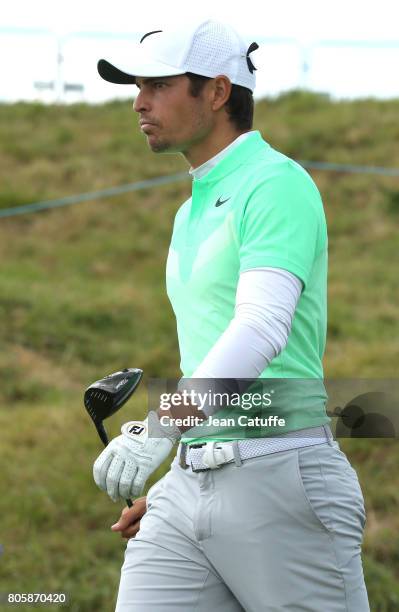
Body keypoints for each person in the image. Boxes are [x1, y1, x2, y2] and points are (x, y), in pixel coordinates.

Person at [93, 19, 370, 611]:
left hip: (284, 478)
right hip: (189, 483)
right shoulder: (189, 209)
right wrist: (184, 470)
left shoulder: (276, 183)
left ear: (217, 92)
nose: (139, 102)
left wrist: (162, 428)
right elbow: (211, 351)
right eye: (136, 87)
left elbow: (260, 327)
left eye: (159, 84)